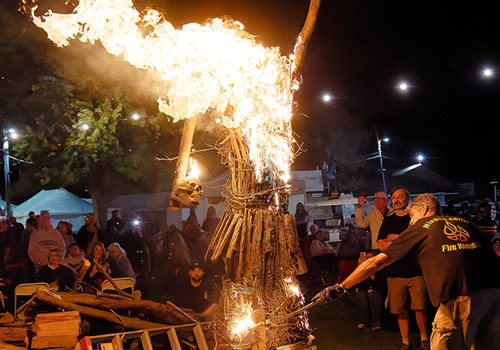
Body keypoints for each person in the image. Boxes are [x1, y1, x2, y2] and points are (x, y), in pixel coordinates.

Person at [314, 193, 500, 350]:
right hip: (495, 295)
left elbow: (376, 262)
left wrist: (341, 286)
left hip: (459, 299)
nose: (410, 222)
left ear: (424, 210)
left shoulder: (423, 225)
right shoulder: (465, 223)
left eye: (412, 215)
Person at [377, 187, 429, 349]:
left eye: (400, 197)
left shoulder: (414, 218)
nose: (396, 200)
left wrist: (392, 239)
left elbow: (416, 243)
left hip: (415, 271)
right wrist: (399, 239)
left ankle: (424, 339)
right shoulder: (388, 220)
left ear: (408, 198)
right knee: (401, 309)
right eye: (393, 197)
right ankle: (405, 341)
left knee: (420, 307)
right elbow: (380, 245)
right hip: (395, 272)